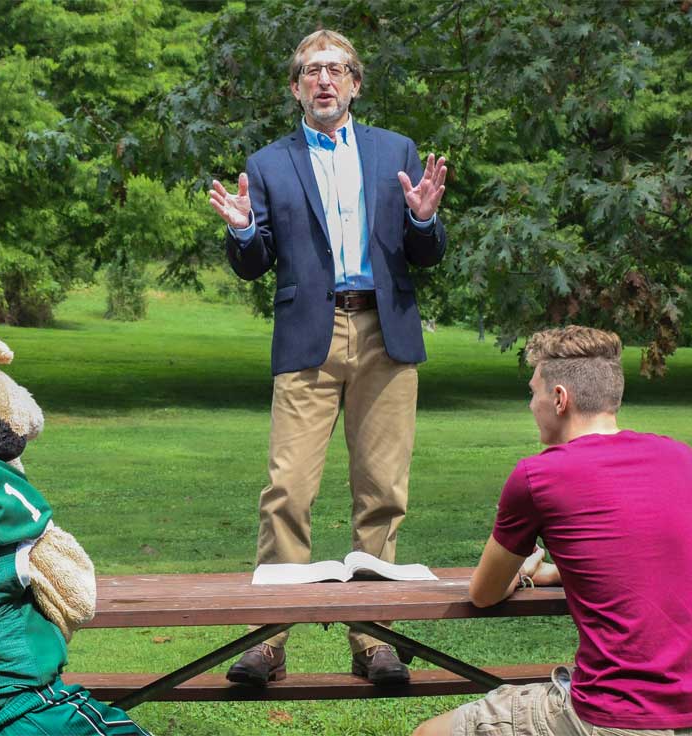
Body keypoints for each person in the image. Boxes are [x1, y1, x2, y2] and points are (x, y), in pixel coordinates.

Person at [208, 29, 448, 686]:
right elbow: (255, 265)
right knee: (288, 491)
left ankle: (373, 641)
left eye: (336, 70)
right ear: (295, 86)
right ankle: (271, 641)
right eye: (311, 71)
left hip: (385, 332)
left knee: (382, 491)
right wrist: (239, 231)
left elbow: (425, 253)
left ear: (355, 83)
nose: (324, 81)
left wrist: (424, 220)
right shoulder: (267, 164)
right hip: (309, 337)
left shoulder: (394, 151)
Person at [414, 325, 692, 736]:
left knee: (429, 733)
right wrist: (554, 572)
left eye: (532, 392)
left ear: (559, 399)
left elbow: (482, 593)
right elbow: (635, 558)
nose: (530, 404)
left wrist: (523, 571)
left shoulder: (538, 475)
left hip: (617, 717)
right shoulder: (681, 458)